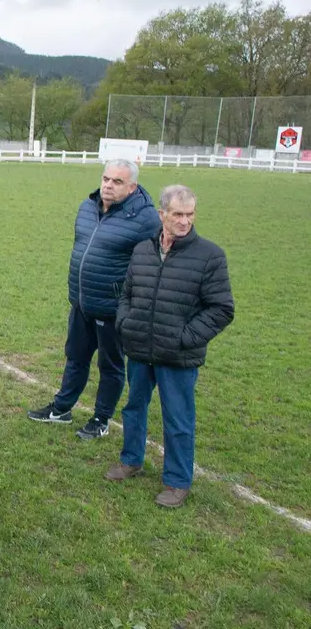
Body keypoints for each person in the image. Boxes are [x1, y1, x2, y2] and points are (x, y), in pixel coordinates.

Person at [106, 185, 234, 508]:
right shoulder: (142, 251)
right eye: (177, 214)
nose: (184, 221)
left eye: (190, 214)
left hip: (177, 356)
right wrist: (125, 323)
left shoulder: (210, 256)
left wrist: (185, 338)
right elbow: (128, 294)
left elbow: (222, 309)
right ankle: (131, 459)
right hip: (139, 349)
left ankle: (177, 482)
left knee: (178, 419)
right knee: (134, 408)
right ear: (162, 214)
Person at [28, 159, 161, 438]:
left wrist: (129, 301)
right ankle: (61, 409)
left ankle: (101, 419)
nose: (108, 186)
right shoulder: (88, 207)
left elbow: (152, 265)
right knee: (75, 357)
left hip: (113, 308)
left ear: (133, 187)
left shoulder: (146, 219)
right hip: (81, 301)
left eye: (117, 182)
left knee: (110, 366)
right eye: (106, 179)